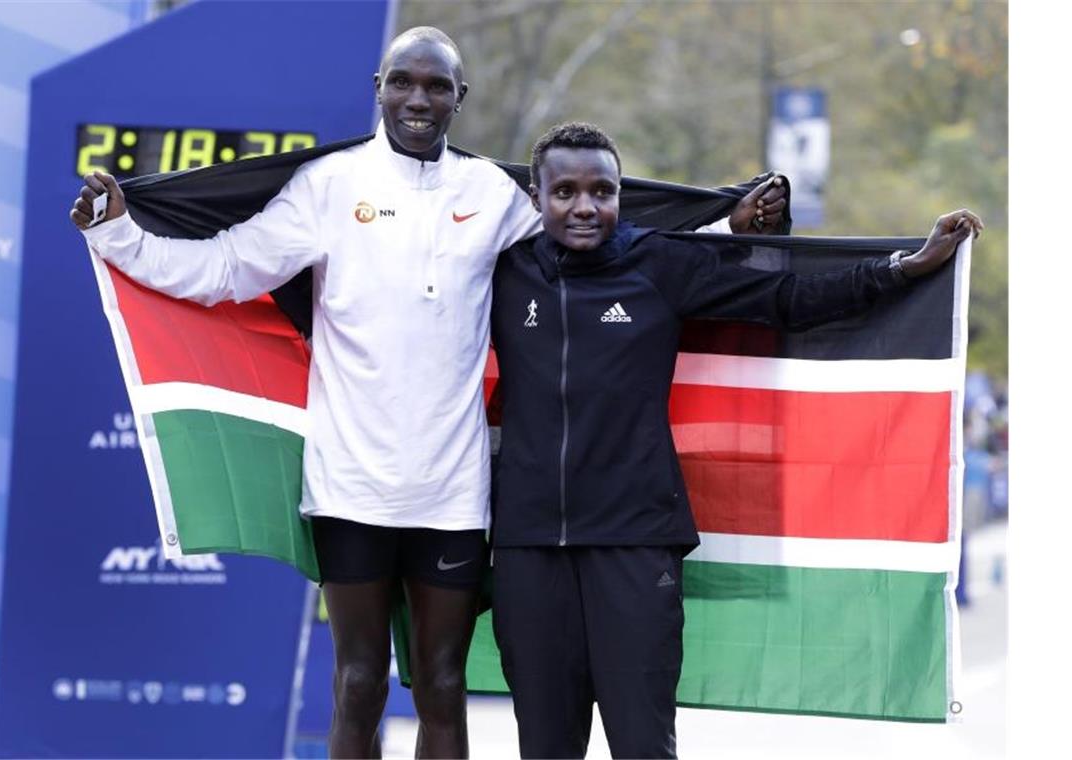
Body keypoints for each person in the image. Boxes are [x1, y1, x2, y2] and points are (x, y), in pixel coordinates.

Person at [69, 27, 784, 759]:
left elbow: (605, 236)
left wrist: (724, 223)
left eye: (437, 86)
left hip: (452, 492)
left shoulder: (489, 193)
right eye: (404, 81)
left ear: (459, 99)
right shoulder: (328, 186)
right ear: (378, 87)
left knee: (442, 683)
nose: (419, 98)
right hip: (350, 486)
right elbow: (223, 271)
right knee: (357, 684)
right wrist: (120, 235)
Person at [487, 121, 982, 759]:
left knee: (643, 746)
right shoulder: (501, 270)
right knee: (545, 749)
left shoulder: (660, 263)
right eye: (565, 193)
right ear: (535, 198)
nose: (585, 207)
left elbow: (791, 297)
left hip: (636, 542)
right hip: (529, 545)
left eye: (602, 191)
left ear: (619, 196)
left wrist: (903, 267)